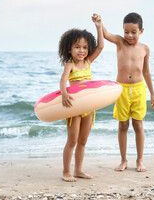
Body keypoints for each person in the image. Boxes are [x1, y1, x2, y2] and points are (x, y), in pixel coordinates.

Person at [101, 12, 154, 172]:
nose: (129, 35)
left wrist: (152, 93)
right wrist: (99, 23)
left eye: (133, 32)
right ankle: (123, 160)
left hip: (139, 89)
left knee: (138, 124)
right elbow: (106, 34)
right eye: (126, 31)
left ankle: (140, 160)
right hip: (122, 89)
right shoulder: (120, 42)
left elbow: (146, 72)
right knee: (123, 125)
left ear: (141, 31)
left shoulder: (145, 49)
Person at [58, 14, 103, 182]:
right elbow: (63, 80)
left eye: (85, 47)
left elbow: (100, 47)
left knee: (83, 141)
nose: (82, 51)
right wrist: (64, 93)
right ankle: (65, 172)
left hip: (88, 107)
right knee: (72, 140)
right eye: (77, 47)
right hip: (75, 107)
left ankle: (78, 170)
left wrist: (98, 27)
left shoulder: (89, 62)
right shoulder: (70, 64)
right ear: (69, 49)